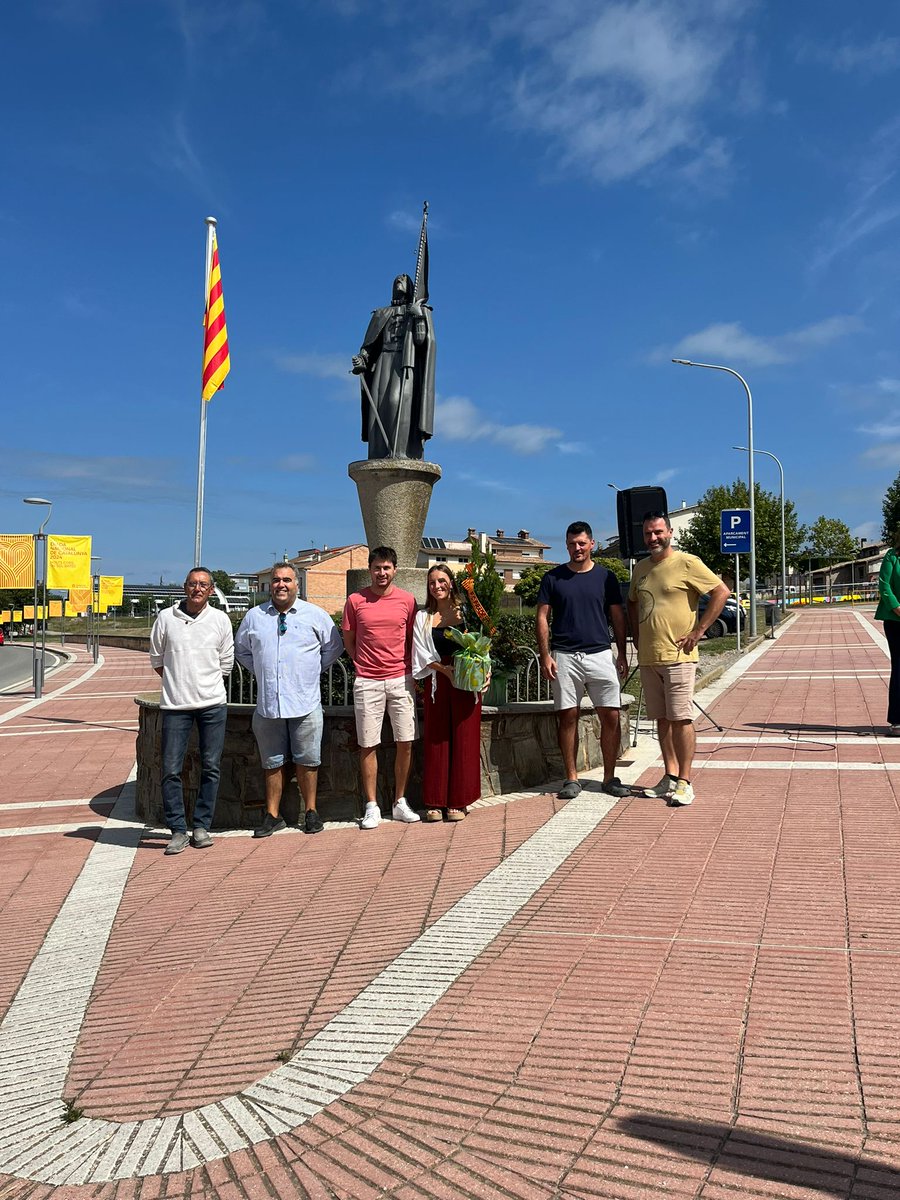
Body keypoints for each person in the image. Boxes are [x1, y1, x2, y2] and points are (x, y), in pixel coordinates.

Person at [627, 512, 730, 807]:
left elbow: (721, 592)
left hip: (678, 657)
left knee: (681, 719)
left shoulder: (687, 562)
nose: (653, 538)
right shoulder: (641, 568)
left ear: (670, 532)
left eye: (658, 532)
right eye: (648, 533)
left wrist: (699, 631)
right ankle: (669, 776)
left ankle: (685, 781)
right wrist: (635, 634)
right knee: (660, 720)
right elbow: (632, 602)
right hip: (649, 657)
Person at [235, 562, 343, 837]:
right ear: (270, 584)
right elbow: (243, 652)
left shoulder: (315, 615)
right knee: (271, 762)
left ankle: (311, 812)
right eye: (275, 580)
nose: (280, 585)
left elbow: (334, 648)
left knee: (308, 760)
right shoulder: (253, 617)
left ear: (297, 584)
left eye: (287, 580)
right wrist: (264, 670)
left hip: (305, 702)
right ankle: (272, 816)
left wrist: (309, 671)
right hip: (268, 703)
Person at [536, 521, 629, 801]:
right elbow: (542, 617)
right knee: (568, 717)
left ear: (591, 544)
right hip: (565, 656)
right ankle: (571, 778)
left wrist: (622, 653)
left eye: (581, 543)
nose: (576, 548)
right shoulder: (553, 578)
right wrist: (545, 655)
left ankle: (610, 777)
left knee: (611, 715)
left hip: (600, 654)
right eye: (571, 544)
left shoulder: (606, 577)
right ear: (566, 545)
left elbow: (617, 616)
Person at [149, 567, 234, 855]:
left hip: (212, 704)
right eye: (192, 584)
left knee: (211, 767)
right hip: (176, 706)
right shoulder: (165, 619)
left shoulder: (220, 620)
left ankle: (201, 826)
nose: (197, 589)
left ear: (211, 590)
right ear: (184, 587)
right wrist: (180, 682)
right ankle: (177, 830)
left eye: (203, 585)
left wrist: (203, 684)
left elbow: (226, 662)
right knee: (171, 769)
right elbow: (157, 660)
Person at [342, 546, 420, 828]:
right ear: (370, 569)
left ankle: (400, 802)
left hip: (401, 678)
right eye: (377, 568)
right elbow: (349, 640)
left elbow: (413, 639)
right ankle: (372, 805)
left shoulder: (408, 601)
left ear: (394, 569)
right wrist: (363, 664)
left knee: (406, 742)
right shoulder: (355, 600)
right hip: (367, 681)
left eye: (387, 568)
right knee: (367, 744)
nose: (382, 573)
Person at [412, 564, 483, 821]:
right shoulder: (423, 617)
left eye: (442, 580)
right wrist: (446, 671)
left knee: (464, 738)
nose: (437, 586)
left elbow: (484, 645)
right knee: (437, 737)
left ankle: (459, 801)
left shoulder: (468, 612)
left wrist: (482, 674)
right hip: (437, 682)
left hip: (467, 680)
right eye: (432, 583)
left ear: (451, 582)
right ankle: (435, 800)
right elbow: (420, 653)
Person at [351, 273, 435, 460]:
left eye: (404, 280)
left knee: (397, 402)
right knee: (379, 406)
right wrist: (362, 359)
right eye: (397, 279)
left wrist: (418, 316)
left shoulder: (419, 310)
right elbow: (370, 345)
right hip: (383, 361)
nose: (400, 280)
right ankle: (380, 451)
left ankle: (400, 451)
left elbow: (422, 342)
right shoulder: (381, 313)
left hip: (405, 361)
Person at [876, 530, 900, 735]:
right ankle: (897, 721)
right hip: (895, 620)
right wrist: (896, 607)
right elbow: (884, 585)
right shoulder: (892, 556)